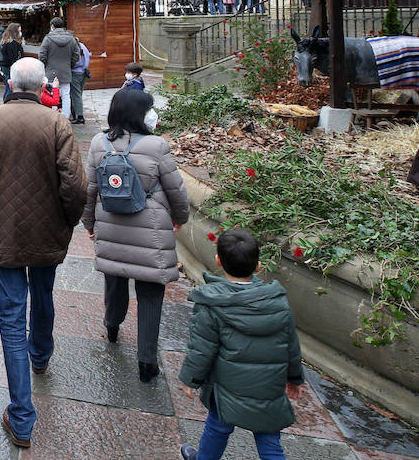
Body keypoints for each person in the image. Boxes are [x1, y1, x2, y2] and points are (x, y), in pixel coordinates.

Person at [0, 57, 86, 449]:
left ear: (11, 83)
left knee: (12, 318)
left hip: (5, 233)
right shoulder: (57, 123)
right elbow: (76, 186)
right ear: (41, 85)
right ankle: (42, 353)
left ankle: (22, 415)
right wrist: (66, 222)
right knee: (43, 294)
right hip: (45, 231)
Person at [82, 87, 190, 383]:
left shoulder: (98, 143)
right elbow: (176, 190)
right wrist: (179, 218)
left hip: (111, 225)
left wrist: (89, 223)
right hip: (151, 231)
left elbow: (90, 189)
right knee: (151, 295)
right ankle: (146, 361)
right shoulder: (157, 146)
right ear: (141, 114)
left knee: (114, 282)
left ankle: (112, 327)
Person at [178, 229, 305, 460]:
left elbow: (202, 348)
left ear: (218, 261)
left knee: (218, 428)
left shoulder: (212, 303)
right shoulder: (277, 301)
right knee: (268, 437)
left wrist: (191, 378)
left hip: (227, 387)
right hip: (268, 386)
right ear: (258, 265)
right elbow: (291, 345)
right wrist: (294, 378)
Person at [38, 17, 81, 120]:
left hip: (50, 71)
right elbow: (76, 55)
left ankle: (53, 116)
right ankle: (65, 116)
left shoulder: (48, 38)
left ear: (52, 26)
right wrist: (70, 65)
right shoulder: (71, 38)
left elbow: (42, 55)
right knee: (66, 95)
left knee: (52, 93)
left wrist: (45, 66)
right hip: (66, 70)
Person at [70, 39, 91, 125]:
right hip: (84, 72)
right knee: (79, 94)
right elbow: (88, 57)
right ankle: (76, 112)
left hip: (75, 73)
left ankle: (80, 116)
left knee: (76, 95)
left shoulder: (73, 48)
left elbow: (74, 62)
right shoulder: (83, 46)